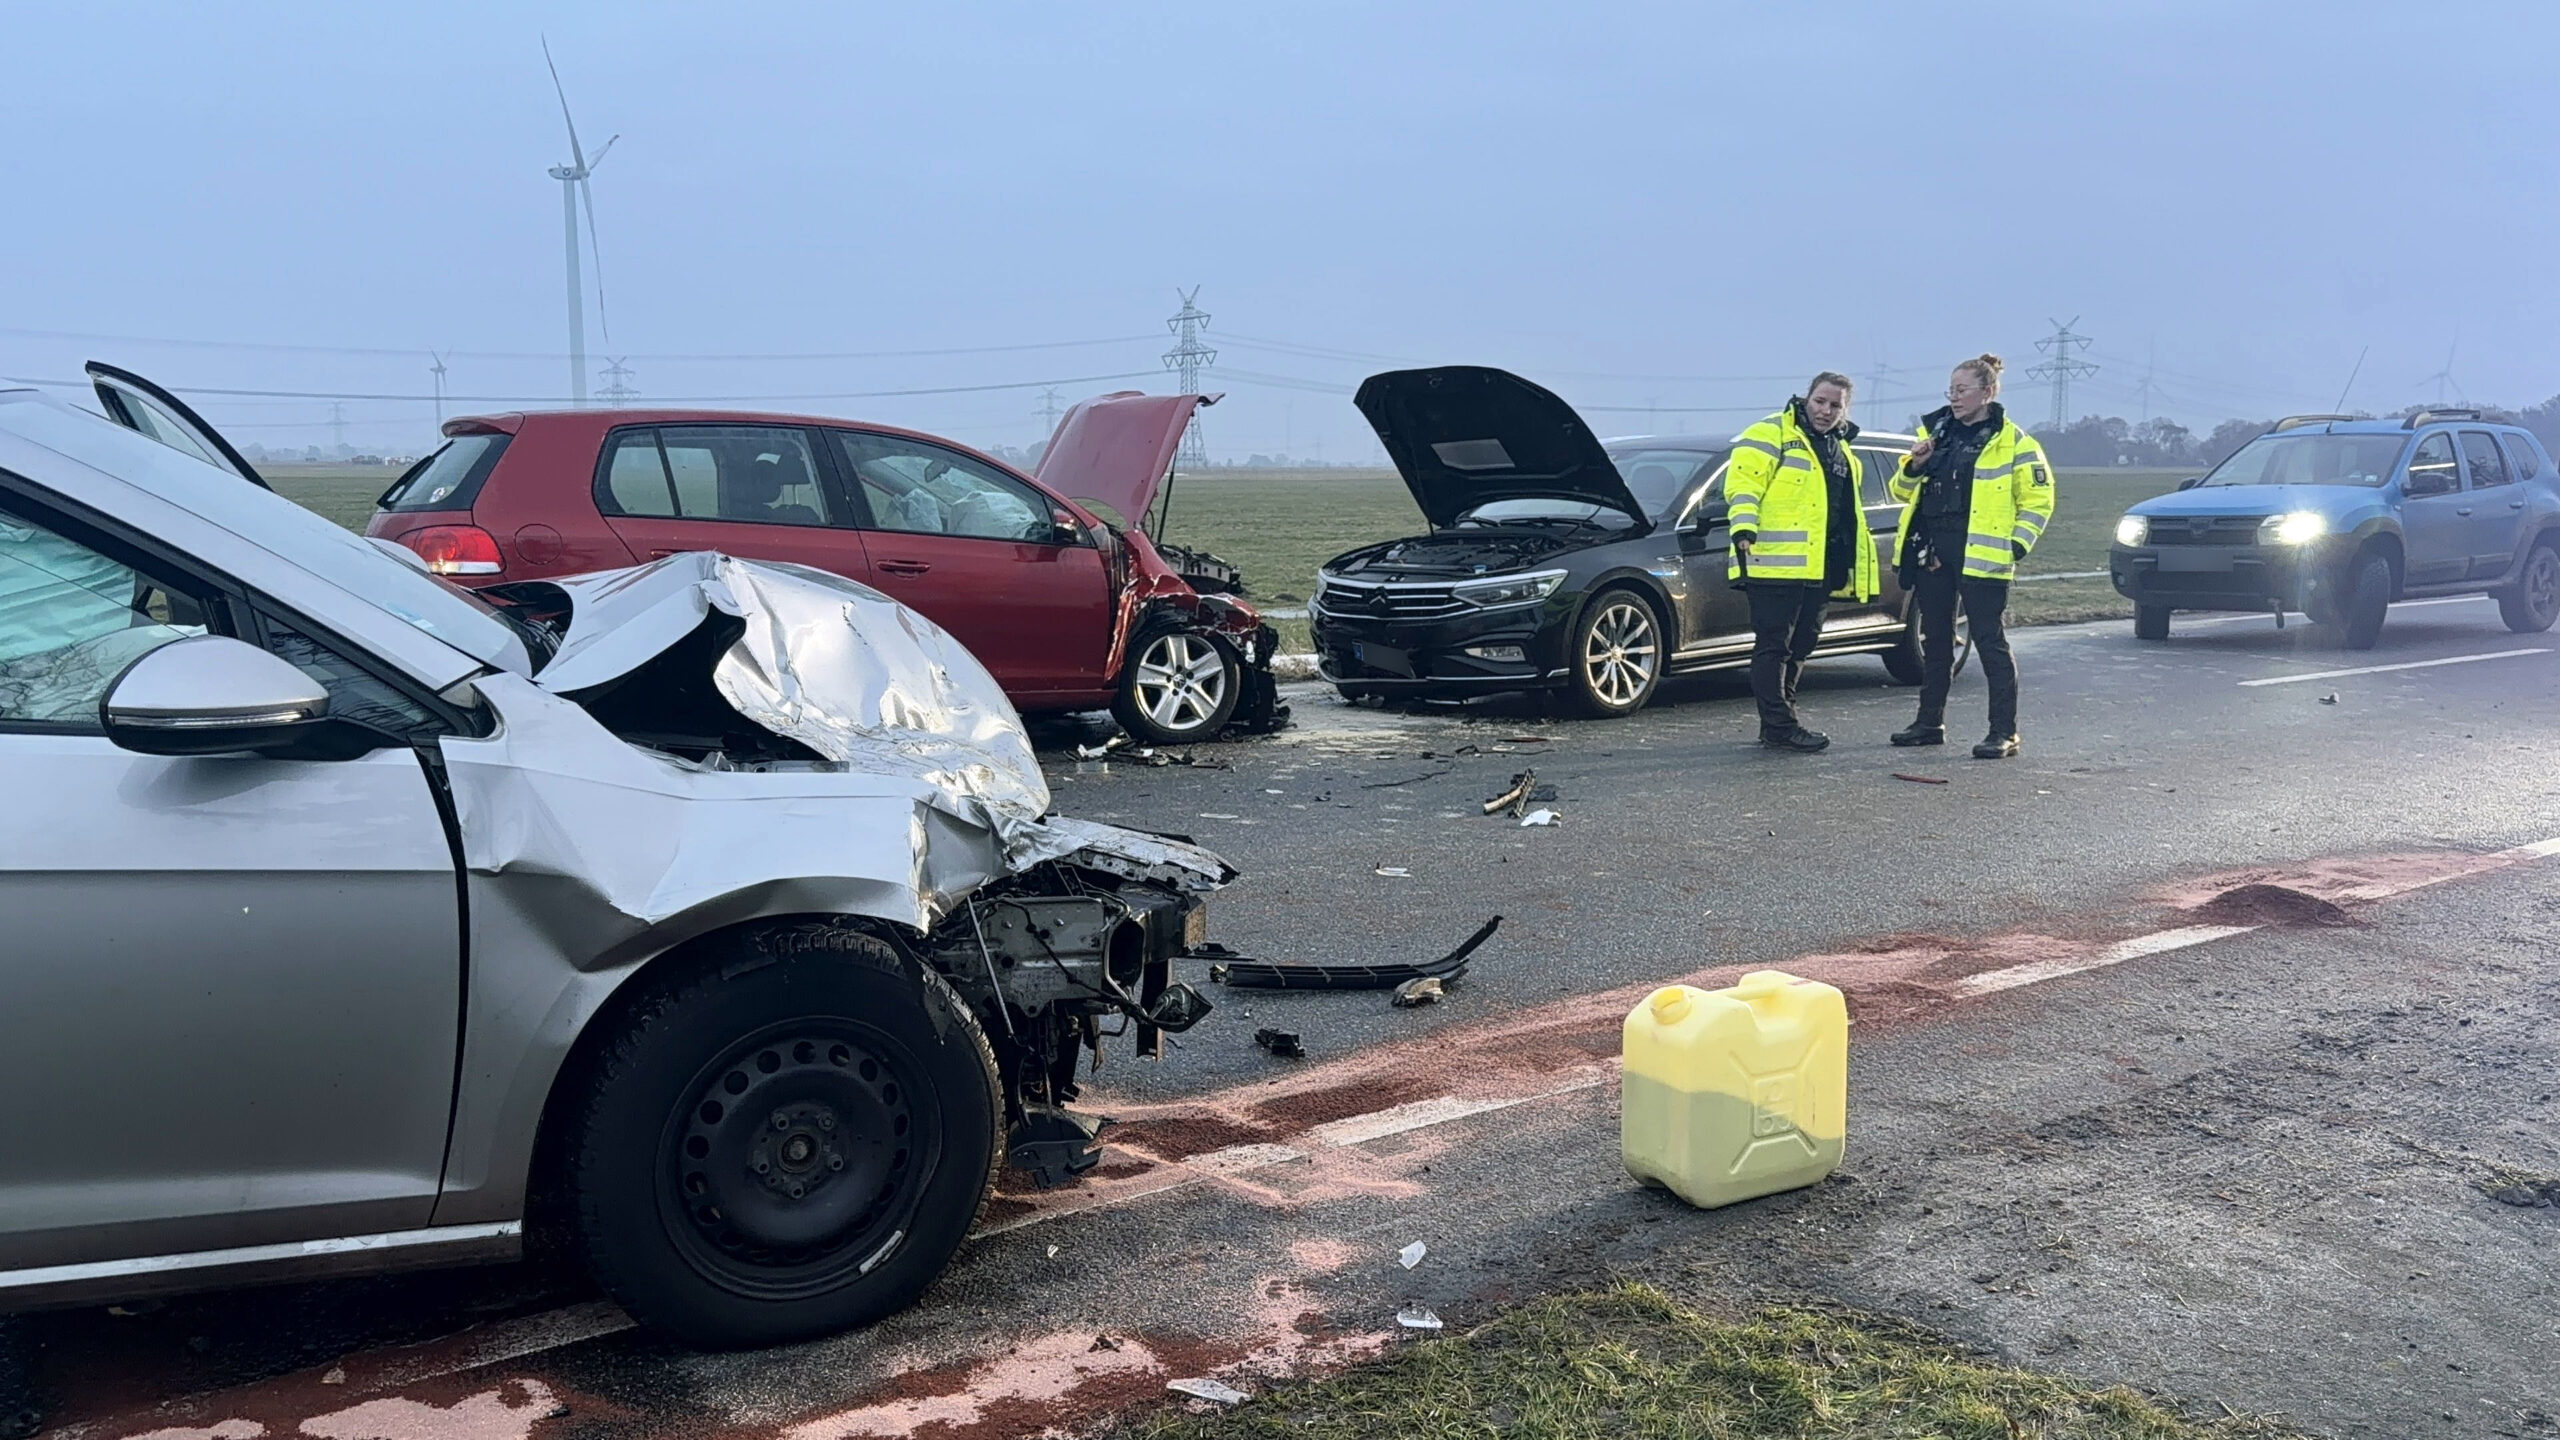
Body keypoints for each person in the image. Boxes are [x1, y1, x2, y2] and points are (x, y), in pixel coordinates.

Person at [1886, 354, 2055, 758]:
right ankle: (1929, 722)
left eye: (1962, 390)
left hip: (1984, 557)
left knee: (1988, 641)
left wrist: (2016, 545)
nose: (1955, 398)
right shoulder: (1936, 435)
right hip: (1933, 553)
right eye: (1951, 390)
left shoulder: (2015, 443)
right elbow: (1901, 491)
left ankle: (2004, 732)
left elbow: (2038, 500)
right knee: (1936, 641)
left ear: (1988, 392)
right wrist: (1914, 466)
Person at [1726, 372, 1877, 752]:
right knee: (1773, 646)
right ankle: (1779, 725)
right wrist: (1743, 527)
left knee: (1803, 644)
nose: (1825, 411)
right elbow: (1743, 483)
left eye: (1835, 405)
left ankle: (1781, 717)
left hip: (1819, 567)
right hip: (1771, 563)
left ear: (1845, 409)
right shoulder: (1771, 432)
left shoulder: (1842, 451)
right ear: (1805, 398)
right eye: (1820, 401)